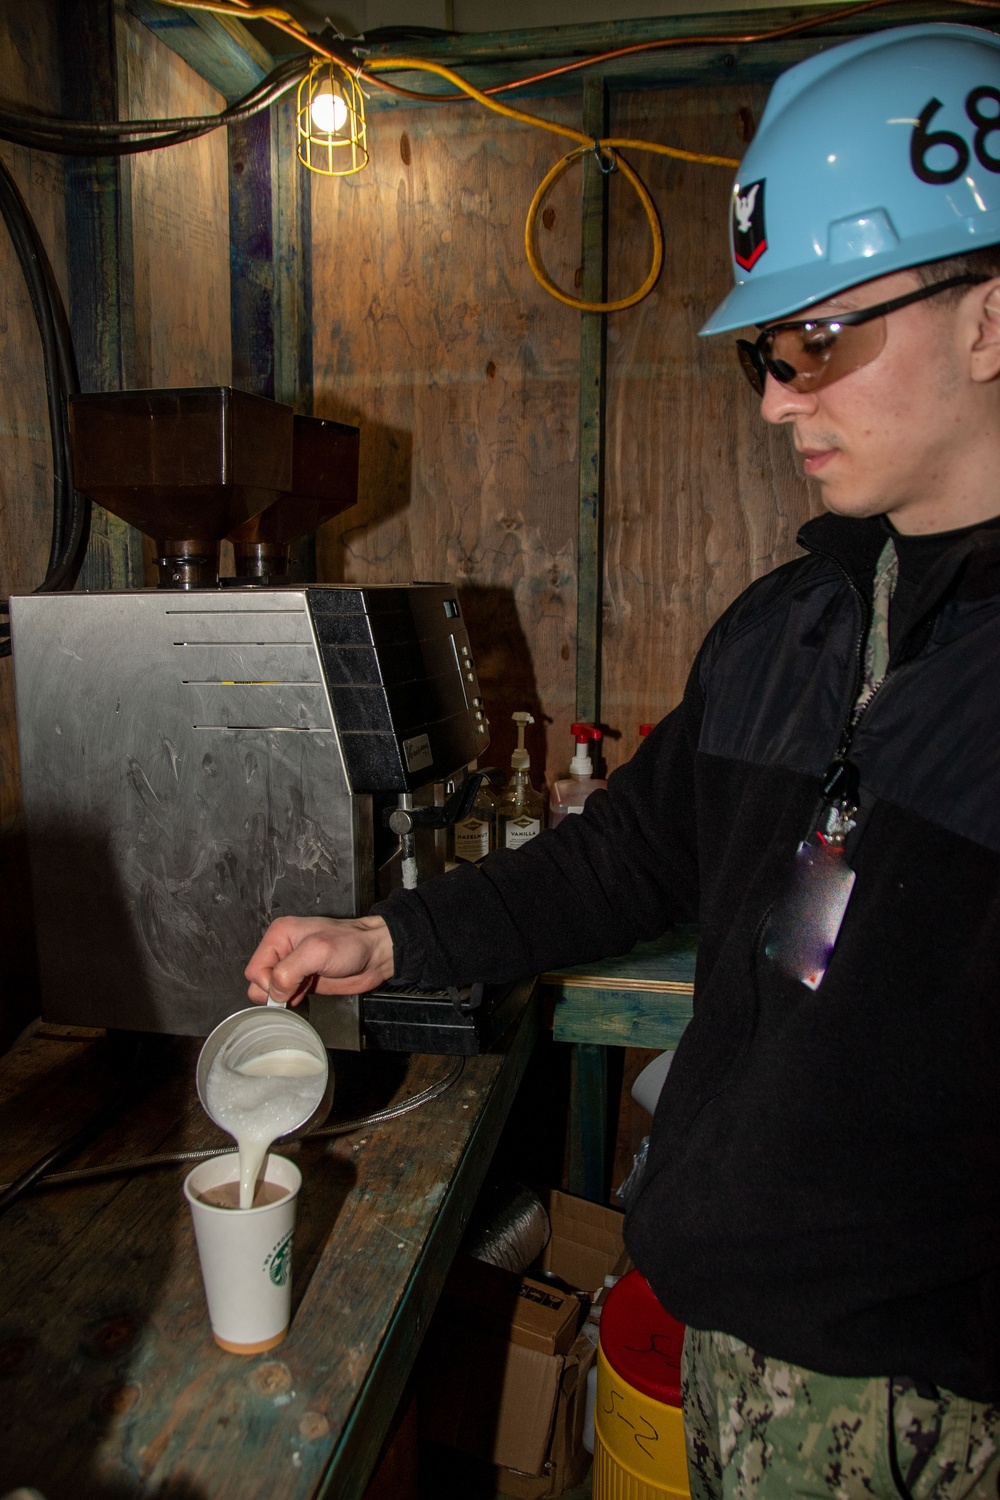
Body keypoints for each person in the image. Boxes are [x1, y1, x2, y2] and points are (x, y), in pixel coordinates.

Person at [245, 24, 1000, 1498]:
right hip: (730, 1346)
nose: (779, 396)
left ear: (990, 317)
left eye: (819, 339)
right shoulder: (791, 626)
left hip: (926, 1402)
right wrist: (389, 935)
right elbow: (626, 857)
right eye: (763, 358)